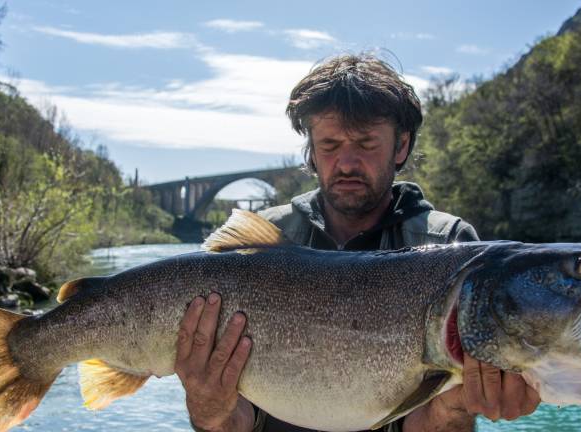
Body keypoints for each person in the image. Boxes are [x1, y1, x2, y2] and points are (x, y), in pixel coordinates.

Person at [173, 54, 541, 432]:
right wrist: (209, 409)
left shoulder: (453, 249)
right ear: (311, 152)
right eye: (330, 145)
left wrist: (453, 409)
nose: (346, 162)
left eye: (365, 144)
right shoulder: (257, 248)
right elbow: (232, 424)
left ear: (401, 146)